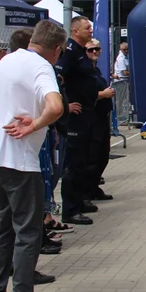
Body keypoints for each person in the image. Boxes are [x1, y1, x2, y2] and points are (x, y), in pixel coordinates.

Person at [0, 19, 66, 292]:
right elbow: (55, 107)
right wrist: (34, 124)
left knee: (3, 227)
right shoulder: (42, 67)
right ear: (56, 49)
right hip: (18, 158)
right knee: (29, 231)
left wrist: (8, 114)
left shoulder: (5, 62)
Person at [56, 16, 99, 226]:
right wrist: (66, 105)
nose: (90, 30)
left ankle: (80, 200)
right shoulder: (70, 53)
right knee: (73, 164)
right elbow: (58, 79)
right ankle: (70, 210)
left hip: (87, 115)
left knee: (83, 161)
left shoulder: (82, 52)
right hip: (75, 117)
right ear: (75, 31)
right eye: (87, 28)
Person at [86, 39, 116, 202]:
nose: (95, 52)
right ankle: (86, 190)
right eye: (91, 50)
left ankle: (93, 187)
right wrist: (102, 95)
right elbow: (81, 95)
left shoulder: (95, 70)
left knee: (102, 155)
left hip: (102, 116)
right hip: (92, 117)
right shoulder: (83, 71)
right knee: (92, 155)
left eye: (97, 49)